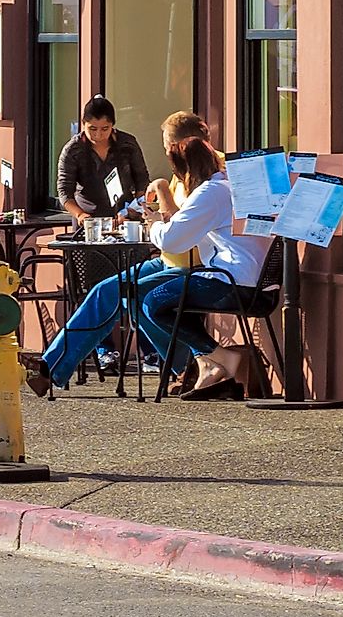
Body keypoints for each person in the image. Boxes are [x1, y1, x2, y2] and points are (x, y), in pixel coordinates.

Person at [24, 134, 274, 398]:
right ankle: (52, 367)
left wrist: (157, 215)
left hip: (203, 268)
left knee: (143, 299)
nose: (164, 150)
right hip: (192, 264)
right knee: (107, 291)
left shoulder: (209, 187)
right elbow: (186, 223)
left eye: (167, 144)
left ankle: (193, 363)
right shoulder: (218, 181)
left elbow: (175, 237)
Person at [56, 95, 153, 224]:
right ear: (83, 124)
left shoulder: (127, 144)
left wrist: (137, 207)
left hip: (125, 216)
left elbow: (142, 180)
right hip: (88, 219)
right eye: (92, 129)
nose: (98, 135)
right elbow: (64, 190)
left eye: (105, 129)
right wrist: (79, 215)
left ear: (112, 125)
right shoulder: (72, 150)